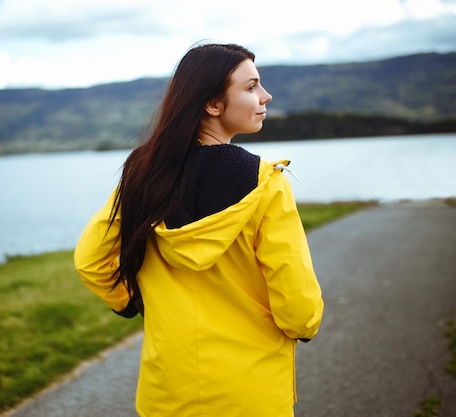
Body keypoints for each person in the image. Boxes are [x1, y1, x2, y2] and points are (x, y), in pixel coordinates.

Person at [74, 42, 324, 417]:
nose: (266, 95)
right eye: (251, 86)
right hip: (250, 392)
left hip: (168, 392)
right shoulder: (265, 182)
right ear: (212, 104)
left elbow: (92, 261)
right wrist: (304, 325)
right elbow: (297, 302)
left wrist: (134, 303)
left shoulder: (143, 174)